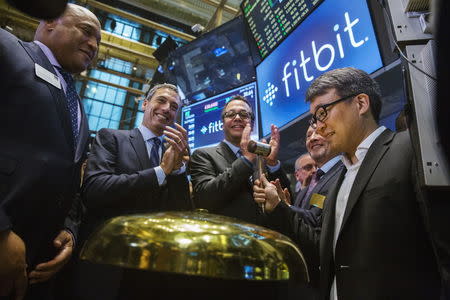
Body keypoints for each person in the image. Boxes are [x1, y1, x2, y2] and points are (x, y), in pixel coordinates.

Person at [255, 67, 442, 300]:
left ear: (361, 103)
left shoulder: (410, 149)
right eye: (314, 119)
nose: (318, 126)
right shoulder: (339, 175)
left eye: (323, 113)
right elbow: (325, 249)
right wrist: (278, 208)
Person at [0, 4, 101, 299]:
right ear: (49, 21)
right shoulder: (7, 49)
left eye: (99, 41)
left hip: (36, 266)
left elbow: (71, 173)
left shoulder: (76, 103)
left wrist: (68, 229)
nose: (94, 45)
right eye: (86, 31)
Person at [67, 83, 191, 299]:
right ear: (145, 104)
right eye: (160, 100)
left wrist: (179, 171)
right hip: (108, 260)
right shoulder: (111, 137)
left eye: (173, 106)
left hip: (151, 269)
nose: (166, 108)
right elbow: (95, 190)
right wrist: (160, 172)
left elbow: (180, 215)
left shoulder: (174, 155)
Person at [190, 95, 290, 224]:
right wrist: (246, 160)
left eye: (244, 114)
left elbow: (288, 199)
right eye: (230, 114)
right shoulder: (203, 155)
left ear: (252, 124)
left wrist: (272, 163)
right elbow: (204, 198)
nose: (237, 118)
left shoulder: (262, 159)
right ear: (222, 124)